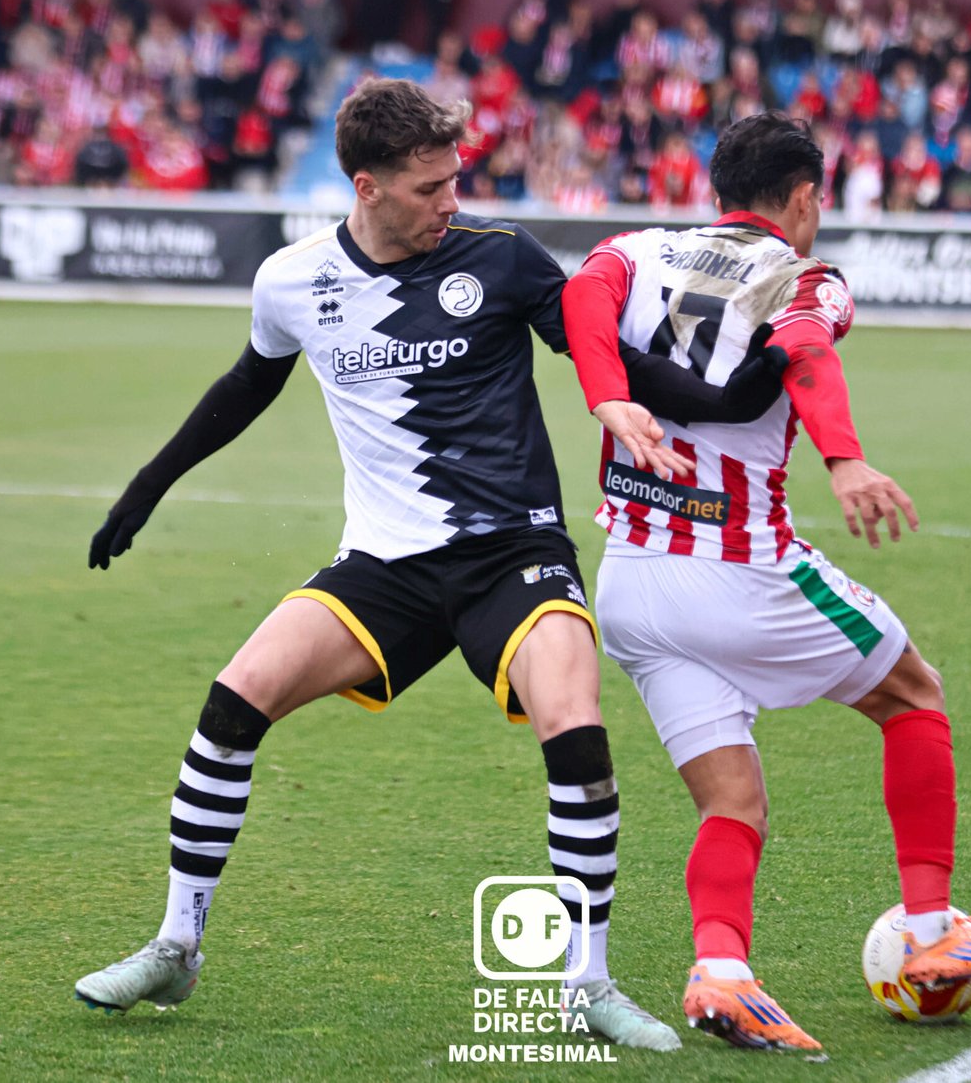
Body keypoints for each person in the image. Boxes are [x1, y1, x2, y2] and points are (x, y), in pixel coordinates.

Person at [69, 79, 791, 1048]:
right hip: (384, 565)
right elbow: (248, 382)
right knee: (233, 702)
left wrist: (750, 383)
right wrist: (146, 489)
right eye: (428, 187)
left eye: (455, 179)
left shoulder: (500, 259)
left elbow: (602, 357)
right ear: (365, 186)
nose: (451, 199)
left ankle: (590, 982)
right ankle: (175, 945)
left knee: (574, 726)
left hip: (515, 552)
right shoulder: (293, 280)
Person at [560, 111, 971, 1055]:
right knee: (915, 694)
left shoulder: (636, 250)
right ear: (805, 198)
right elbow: (811, 358)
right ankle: (932, 927)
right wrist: (848, 461)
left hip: (629, 583)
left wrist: (606, 392)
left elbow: (582, 295)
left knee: (732, 799)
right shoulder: (805, 276)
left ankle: (724, 973)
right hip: (742, 568)